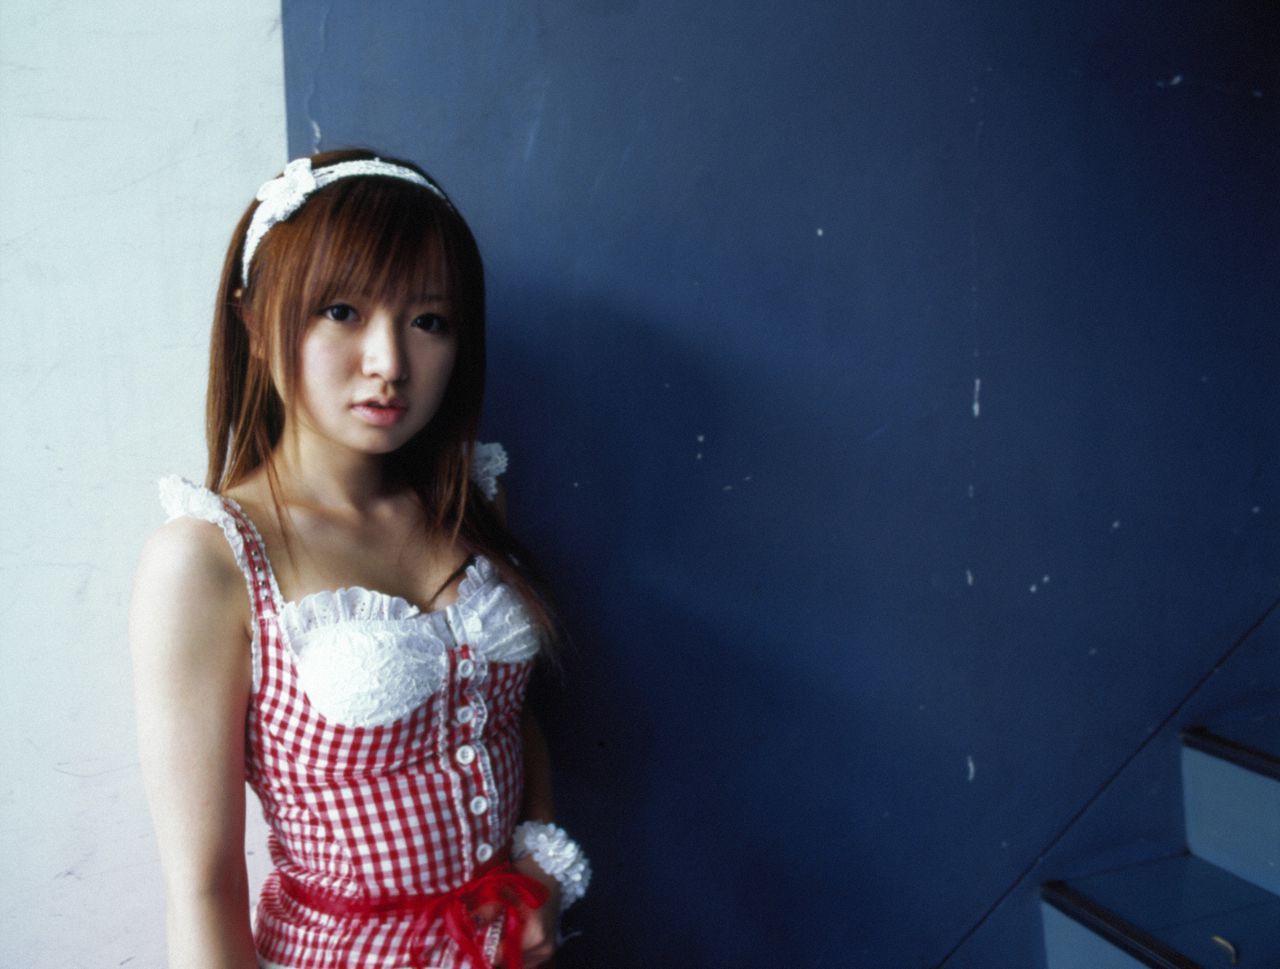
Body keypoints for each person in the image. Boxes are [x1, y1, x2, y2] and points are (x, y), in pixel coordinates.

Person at [129, 149, 589, 969]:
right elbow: (202, 885)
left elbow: (505, 712)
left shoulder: (473, 500)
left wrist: (539, 862)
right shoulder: (210, 561)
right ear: (253, 322)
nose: (390, 363)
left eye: (429, 320)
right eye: (341, 311)